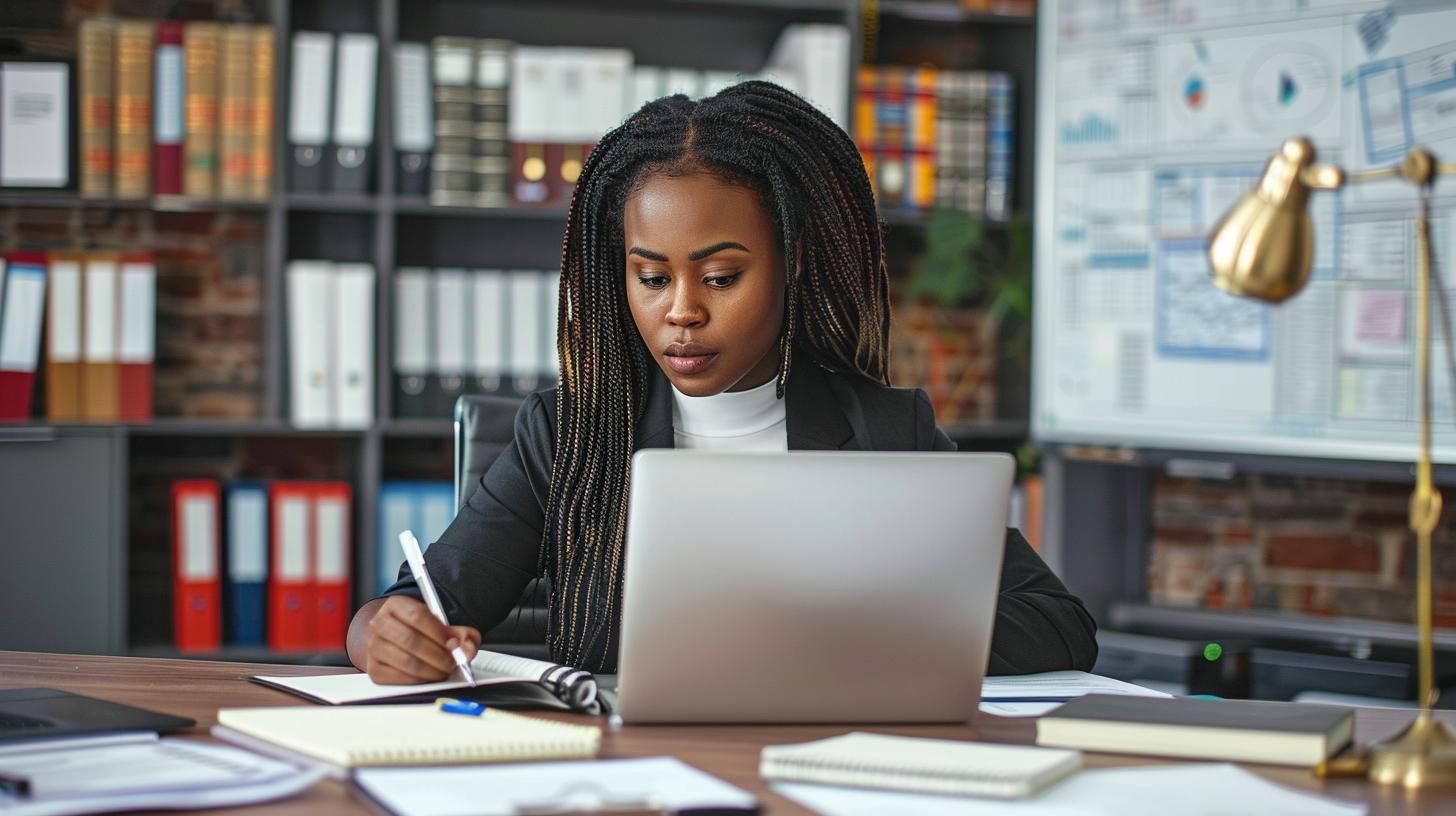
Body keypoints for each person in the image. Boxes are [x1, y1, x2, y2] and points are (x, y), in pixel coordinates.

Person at [347, 81, 1097, 683]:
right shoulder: (572, 433)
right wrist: (379, 635)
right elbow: (412, 608)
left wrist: (851, 628)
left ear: (792, 262)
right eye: (650, 276)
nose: (682, 311)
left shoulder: (882, 432)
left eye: (721, 276)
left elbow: (1060, 626)